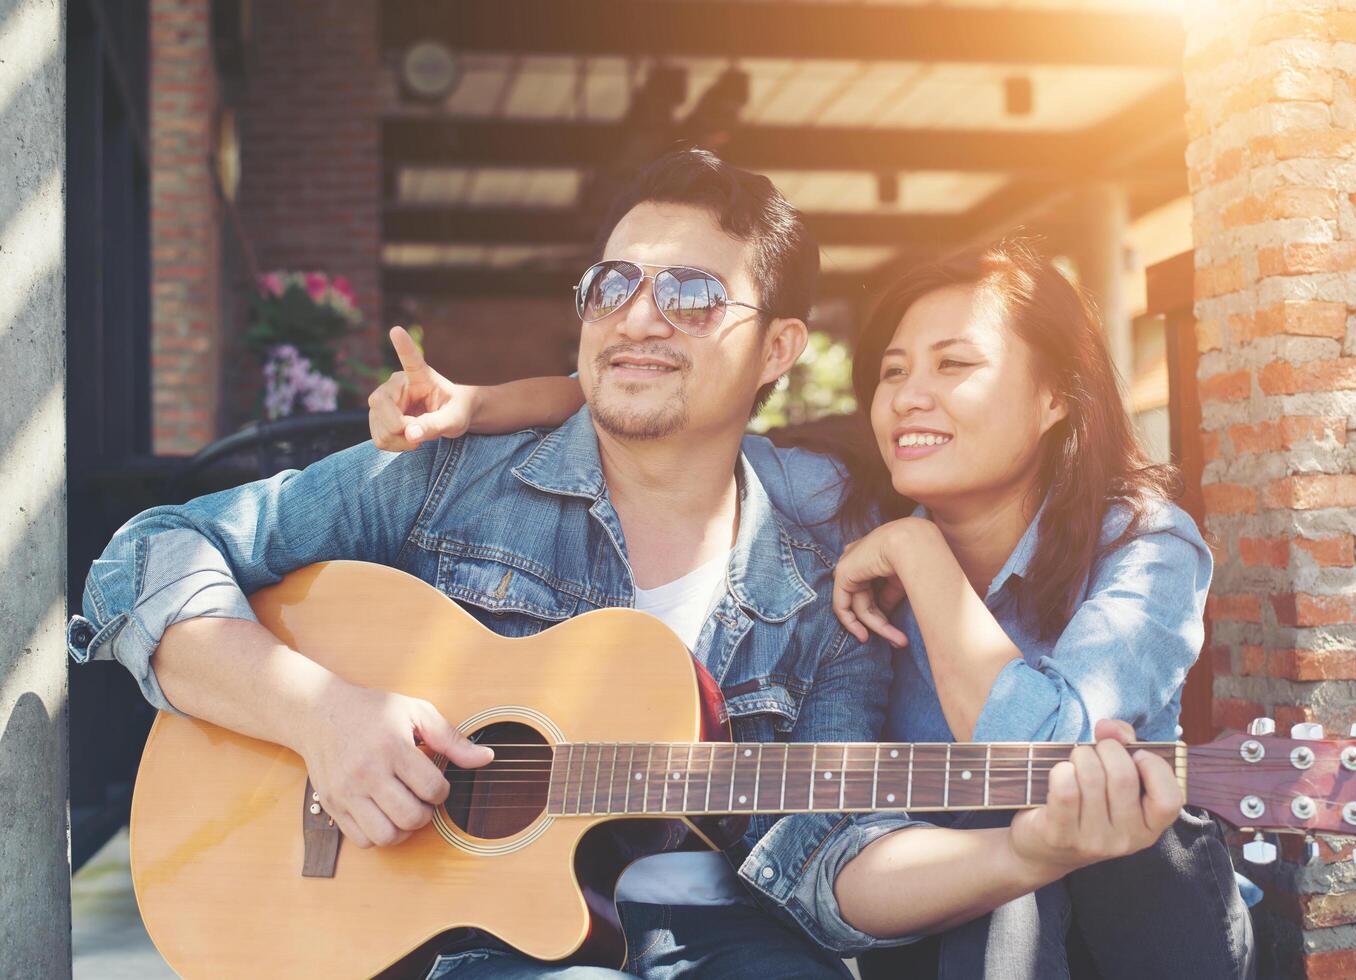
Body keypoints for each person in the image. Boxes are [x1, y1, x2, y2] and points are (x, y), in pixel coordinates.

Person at [71, 150, 1181, 980]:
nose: (638, 318)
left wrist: (1027, 849)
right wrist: (319, 712)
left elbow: (820, 854)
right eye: (613, 285)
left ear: (778, 352)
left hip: (683, 931)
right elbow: (143, 558)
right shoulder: (447, 475)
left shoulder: (826, 556)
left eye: (692, 294)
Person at [366, 239, 1251, 977]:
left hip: (1132, 916)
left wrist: (918, 553)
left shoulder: (1142, 542)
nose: (908, 396)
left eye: (956, 366)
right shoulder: (840, 497)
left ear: (1056, 396)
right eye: (892, 370)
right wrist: (475, 406)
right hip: (947, 899)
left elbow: (1047, 751)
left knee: (1039, 883)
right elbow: (674, 419)